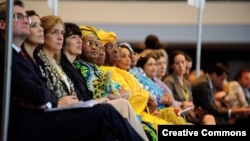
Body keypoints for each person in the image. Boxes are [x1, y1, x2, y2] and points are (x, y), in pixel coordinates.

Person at [0, 1, 143, 140]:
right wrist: (53, 102)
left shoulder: (22, 56)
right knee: (106, 112)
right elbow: (34, 92)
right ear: (2, 24)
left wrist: (43, 98)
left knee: (106, 127)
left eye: (26, 17)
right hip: (28, 124)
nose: (26, 21)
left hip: (45, 113)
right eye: (18, 17)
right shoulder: (7, 53)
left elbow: (40, 91)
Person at [61, 23, 148, 141]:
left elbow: (124, 91)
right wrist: (112, 95)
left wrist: (114, 95)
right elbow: (95, 94)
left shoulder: (96, 69)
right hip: (86, 110)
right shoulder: (79, 67)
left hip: (99, 106)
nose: (95, 48)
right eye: (89, 43)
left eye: (97, 44)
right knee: (123, 106)